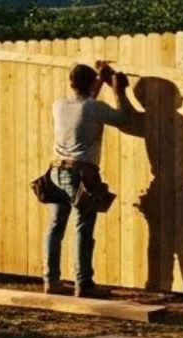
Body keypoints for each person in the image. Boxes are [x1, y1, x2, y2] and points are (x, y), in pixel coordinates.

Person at [46, 62, 131, 298]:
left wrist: (99, 82)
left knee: (55, 226)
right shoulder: (95, 107)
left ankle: (51, 280)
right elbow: (123, 118)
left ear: (71, 82)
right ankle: (83, 283)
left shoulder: (59, 105)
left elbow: (84, 109)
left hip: (56, 171)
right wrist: (118, 90)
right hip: (82, 173)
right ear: (92, 83)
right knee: (83, 226)